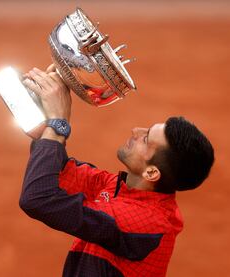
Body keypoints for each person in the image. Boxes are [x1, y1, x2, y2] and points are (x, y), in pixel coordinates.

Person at [19, 66, 214, 277]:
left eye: (146, 138)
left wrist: (58, 124)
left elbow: (38, 198)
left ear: (151, 173)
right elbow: (59, 173)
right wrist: (46, 121)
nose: (136, 131)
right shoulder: (117, 187)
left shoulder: (144, 222)